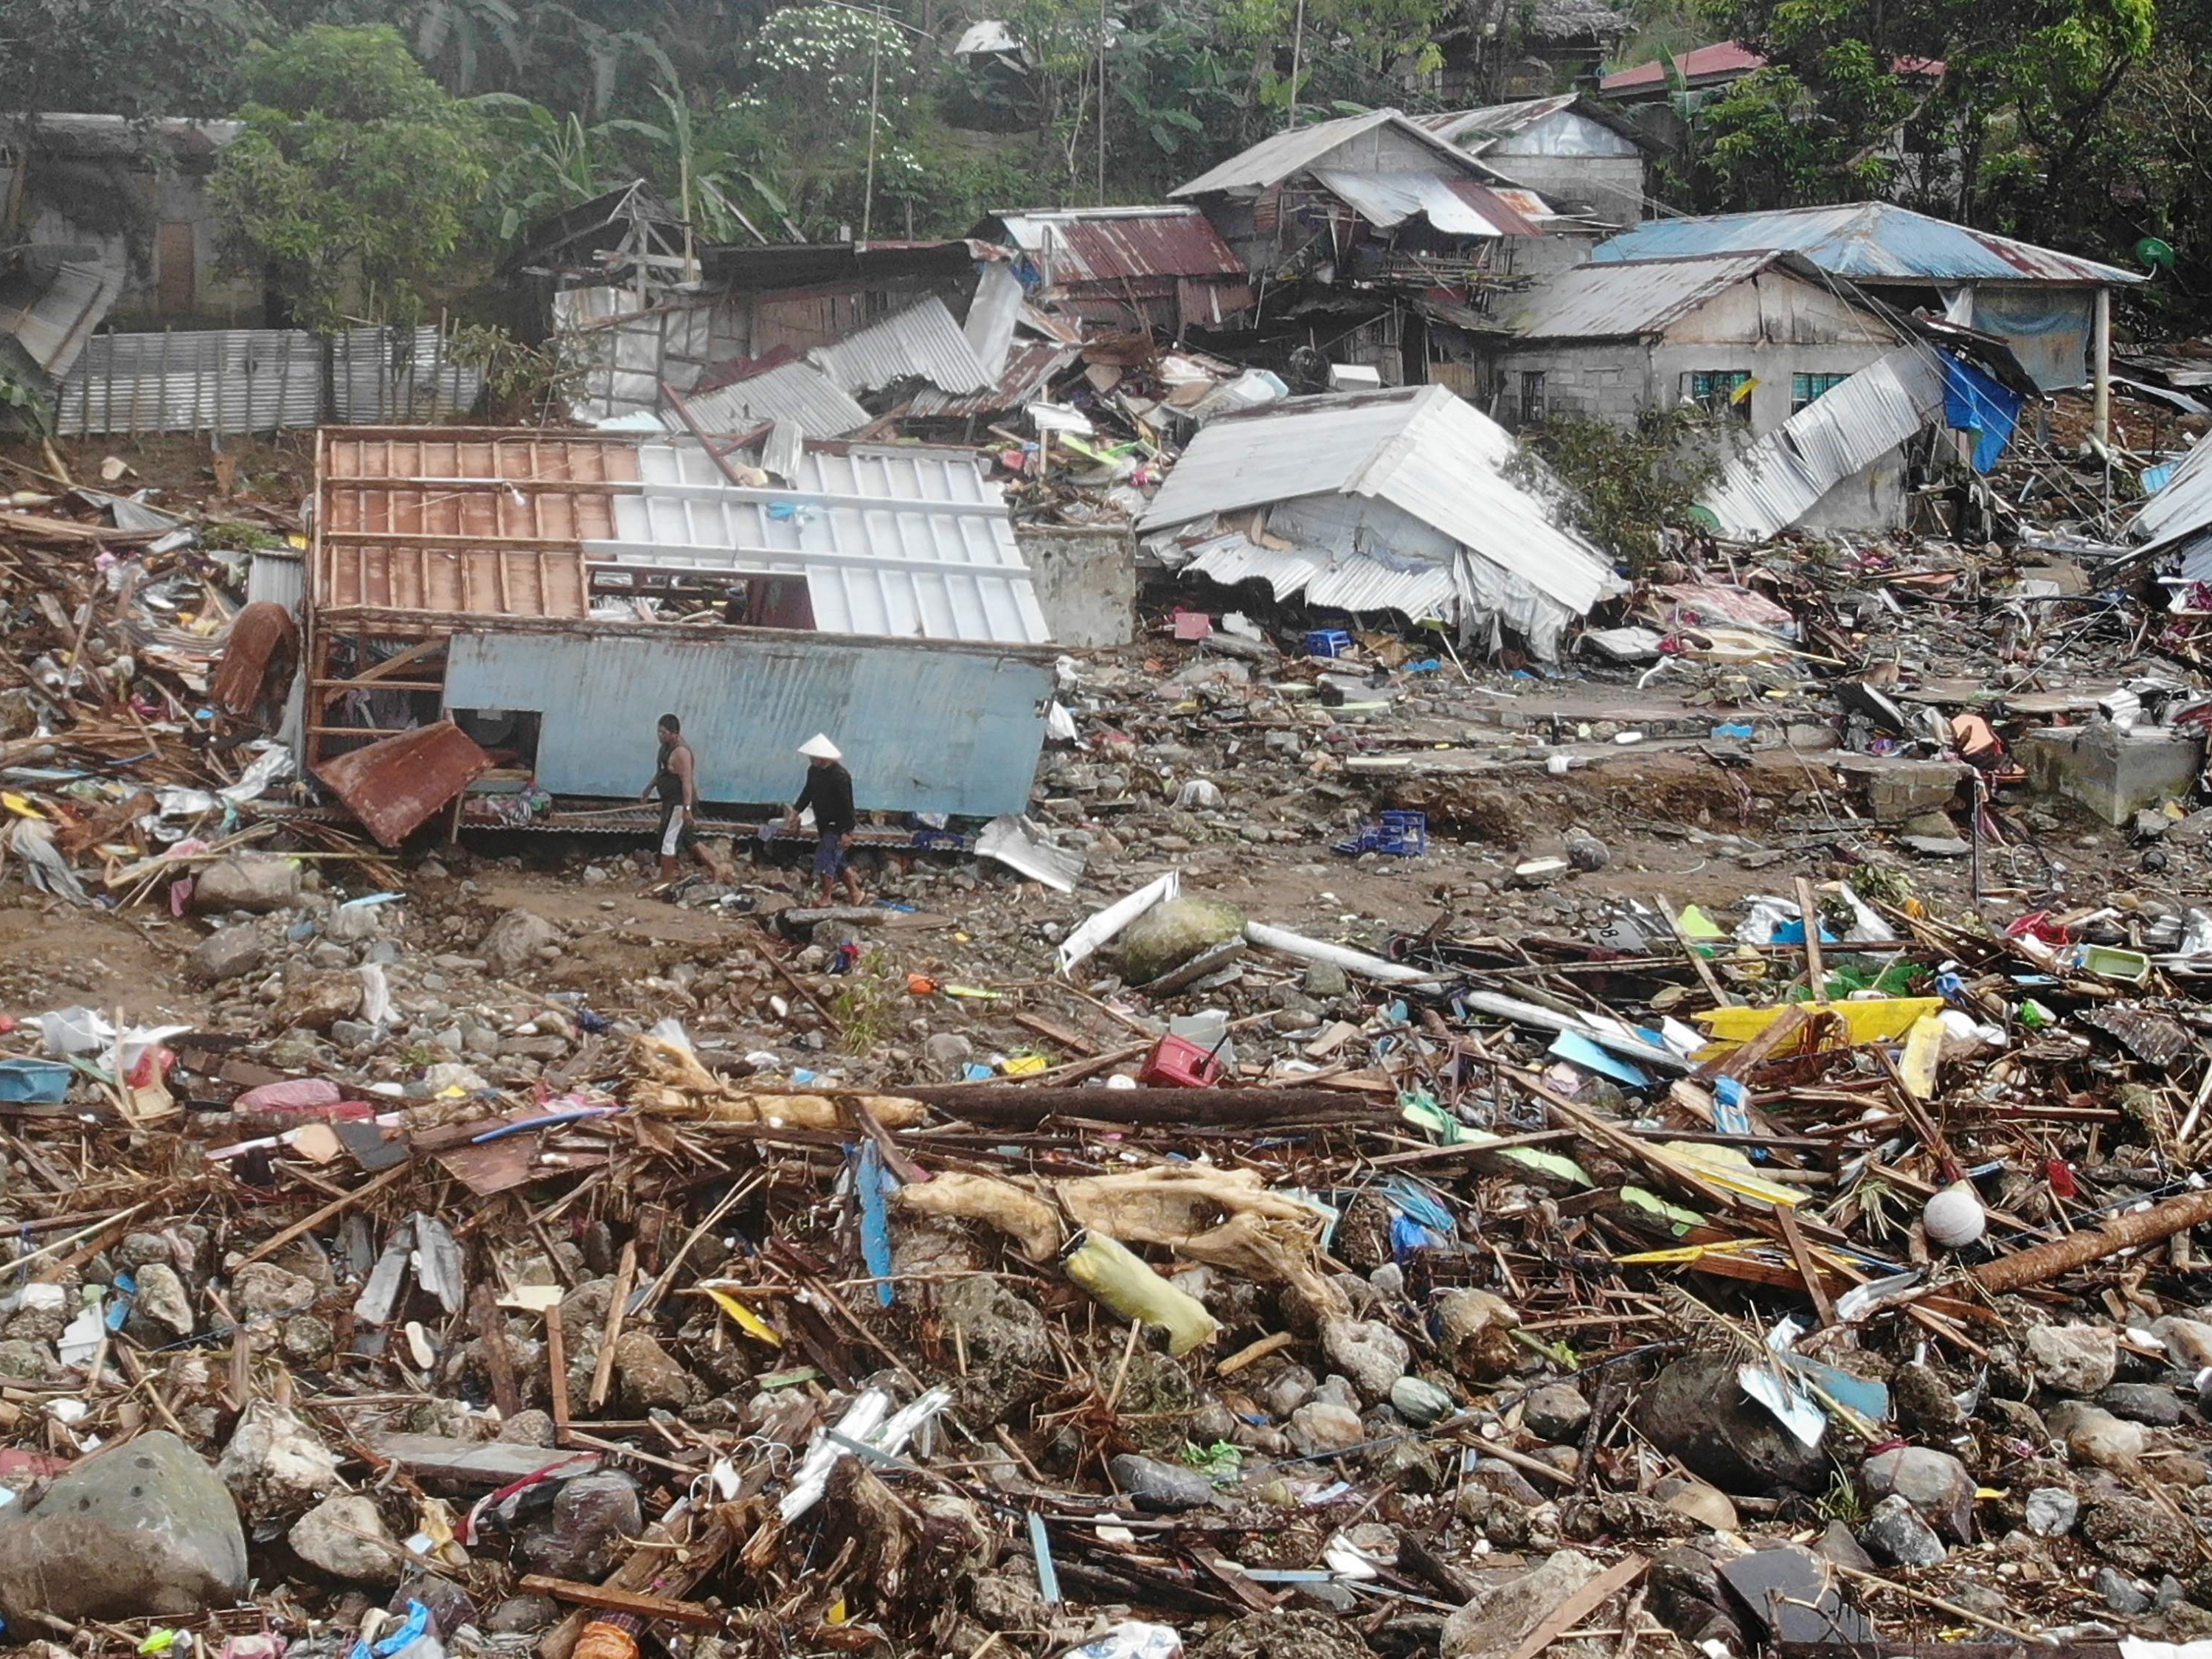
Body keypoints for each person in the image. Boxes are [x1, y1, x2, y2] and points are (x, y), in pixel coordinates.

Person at [641, 714, 728, 884]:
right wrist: (649, 788)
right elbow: (662, 772)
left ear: (675, 734)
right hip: (669, 801)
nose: (660, 736)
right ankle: (716, 868)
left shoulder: (681, 753)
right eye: (658, 732)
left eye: (663, 732)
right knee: (689, 839)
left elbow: (687, 782)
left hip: (680, 804)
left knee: (669, 840)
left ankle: (664, 883)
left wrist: (687, 810)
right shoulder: (664, 748)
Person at [785, 733, 862, 904]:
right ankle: (855, 893)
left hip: (837, 824)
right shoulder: (814, 772)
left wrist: (847, 831)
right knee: (838, 860)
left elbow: (847, 805)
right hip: (823, 822)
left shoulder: (840, 776)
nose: (812, 760)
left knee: (825, 856)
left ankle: (827, 897)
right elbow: (808, 792)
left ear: (823, 757)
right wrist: (796, 811)